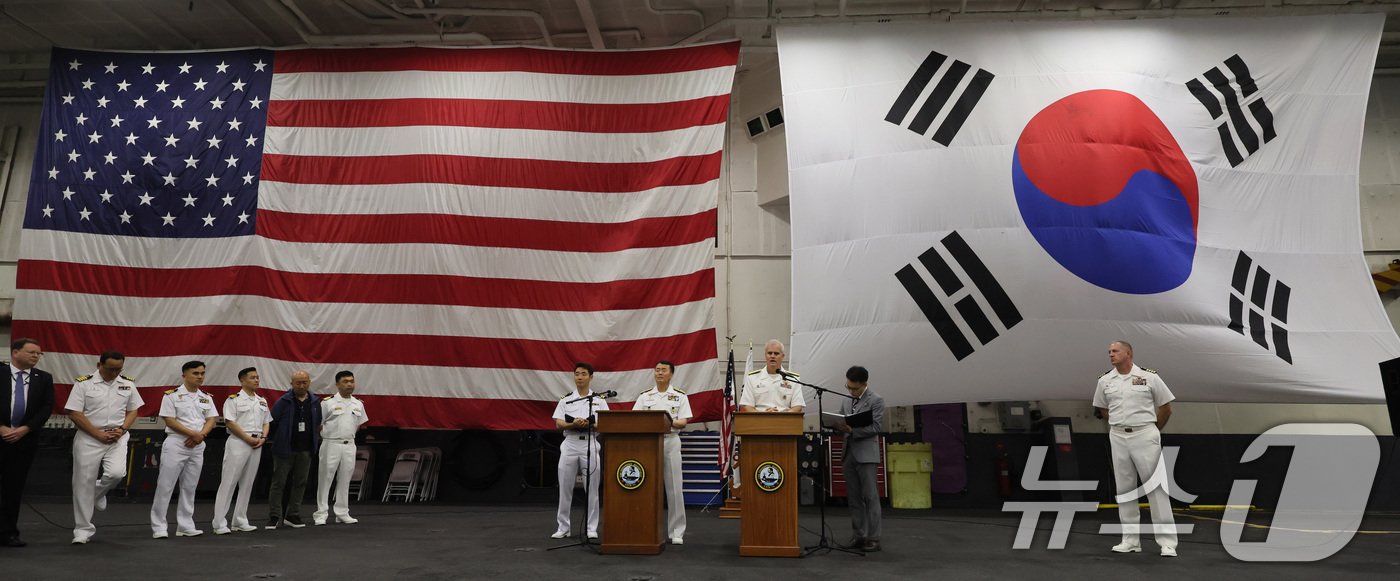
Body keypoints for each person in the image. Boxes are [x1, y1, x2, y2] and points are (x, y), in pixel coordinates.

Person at [1093, 340, 1179, 557]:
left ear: (1128, 353)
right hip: (1118, 435)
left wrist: (1152, 430)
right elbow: (1103, 408)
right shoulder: (1105, 380)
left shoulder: (1150, 377)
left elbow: (1166, 408)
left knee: (1156, 489)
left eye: (1115, 351)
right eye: (1109, 351)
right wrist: (1119, 424)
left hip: (1145, 433)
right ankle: (1130, 540)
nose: (1110, 354)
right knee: (1124, 490)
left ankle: (1167, 543)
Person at [66, 351, 141, 545]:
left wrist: (123, 429)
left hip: (117, 436)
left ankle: (98, 492)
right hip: (89, 436)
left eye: (119, 369)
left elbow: (134, 410)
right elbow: (74, 413)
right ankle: (82, 530)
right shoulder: (84, 383)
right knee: (83, 482)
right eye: (111, 369)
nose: (115, 372)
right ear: (99, 365)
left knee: (116, 474)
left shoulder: (127, 383)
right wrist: (97, 434)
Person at [150, 360, 219, 539]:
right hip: (176, 442)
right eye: (195, 373)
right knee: (165, 485)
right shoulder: (171, 395)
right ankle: (159, 525)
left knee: (190, 486)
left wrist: (200, 436)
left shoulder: (206, 397)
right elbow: (169, 419)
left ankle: (185, 524)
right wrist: (192, 434)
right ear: (184, 375)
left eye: (202, 373)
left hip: (197, 444)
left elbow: (212, 418)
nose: (200, 377)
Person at [0, 339, 54, 548]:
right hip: (1, 434)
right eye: (32, 352)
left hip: (24, 441)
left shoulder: (43, 379)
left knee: (13, 489)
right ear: (15, 352)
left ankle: (8, 533)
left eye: (39, 354)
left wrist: (25, 429)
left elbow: (46, 407)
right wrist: (1, 427)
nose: (36, 356)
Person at [632, 360, 692, 545]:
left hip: (671, 441)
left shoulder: (680, 396)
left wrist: (667, 421)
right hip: (649, 444)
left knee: (674, 488)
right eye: (657, 370)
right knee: (646, 487)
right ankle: (647, 528)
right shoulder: (644, 396)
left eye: (663, 370)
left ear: (671, 374)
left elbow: (683, 421)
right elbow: (634, 418)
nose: (659, 373)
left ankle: (677, 531)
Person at [551, 363, 610, 540]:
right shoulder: (566, 399)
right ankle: (563, 527)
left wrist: (590, 423)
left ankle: (591, 527)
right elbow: (559, 423)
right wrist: (573, 424)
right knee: (565, 487)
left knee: (592, 488)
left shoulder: (599, 400)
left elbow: (606, 423)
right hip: (570, 443)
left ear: (591, 377)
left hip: (590, 443)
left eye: (584, 374)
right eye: (577, 374)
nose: (580, 377)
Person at [211, 367, 271, 535]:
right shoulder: (233, 400)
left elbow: (267, 422)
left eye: (258, 377)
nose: (256, 380)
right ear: (242, 381)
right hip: (239, 442)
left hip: (257, 442)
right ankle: (219, 522)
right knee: (229, 482)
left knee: (247, 483)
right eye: (252, 377)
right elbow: (230, 422)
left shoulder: (262, 401)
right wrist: (247, 438)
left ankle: (239, 519)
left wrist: (263, 438)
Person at [837, 365, 885, 553]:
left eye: (854, 388)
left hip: (866, 455)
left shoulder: (877, 400)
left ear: (864, 384)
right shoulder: (846, 399)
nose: (851, 391)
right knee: (854, 498)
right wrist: (836, 425)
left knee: (870, 497)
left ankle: (874, 538)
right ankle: (859, 535)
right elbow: (842, 419)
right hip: (848, 453)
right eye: (848, 387)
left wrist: (853, 431)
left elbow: (876, 427)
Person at [266, 370, 320, 530]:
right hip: (285, 449)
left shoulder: (315, 402)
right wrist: (279, 440)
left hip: (305, 449)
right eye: (298, 382)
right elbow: (272, 422)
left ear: (309, 383)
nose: (301, 385)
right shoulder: (284, 401)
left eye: (304, 382)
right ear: (291, 384)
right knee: (278, 483)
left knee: (301, 482)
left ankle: (293, 514)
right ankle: (274, 516)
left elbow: (318, 422)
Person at [314, 370, 367, 526]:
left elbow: (358, 424)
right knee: (325, 479)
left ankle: (342, 512)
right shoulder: (327, 402)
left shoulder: (358, 403)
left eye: (351, 381)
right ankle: (321, 513)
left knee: (345, 479)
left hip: (349, 444)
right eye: (345, 381)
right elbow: (318, 424)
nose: (349, 384)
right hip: (331, 443)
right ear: (337, 384)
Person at [739, 339, 805, 413]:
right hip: (759, 421)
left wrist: (780, 416)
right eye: (770, 353)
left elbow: (797, 406)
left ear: (782, 356)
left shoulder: (793, 379)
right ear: (765, 355)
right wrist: (764, 415)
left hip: (785, 421)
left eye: (776, 353)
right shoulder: (752, 378)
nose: (772, 356)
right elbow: (748, 406)